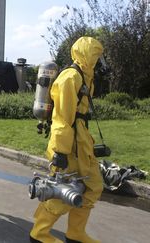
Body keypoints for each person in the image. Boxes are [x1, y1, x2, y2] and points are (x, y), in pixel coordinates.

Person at [29, 36, 104, 243]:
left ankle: (75, 233)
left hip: (81, 142)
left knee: (92, 186)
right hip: (67, 144)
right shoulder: (70, 78)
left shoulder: (84, 76)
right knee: (62, 190)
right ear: (86, 55)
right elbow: (62, 118)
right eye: (96, 56)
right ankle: (39, 233)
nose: (98, 60)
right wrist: (60, 152)